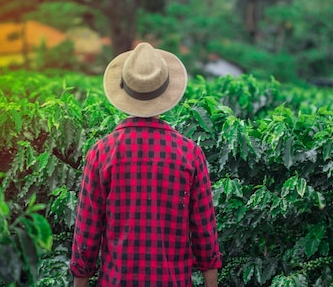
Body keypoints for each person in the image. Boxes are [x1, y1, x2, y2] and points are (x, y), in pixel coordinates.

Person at [70, 42, 222, 287]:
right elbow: (204, 230)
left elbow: (87, 230)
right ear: (165, 91)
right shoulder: (189, 154)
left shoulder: (101, 153)